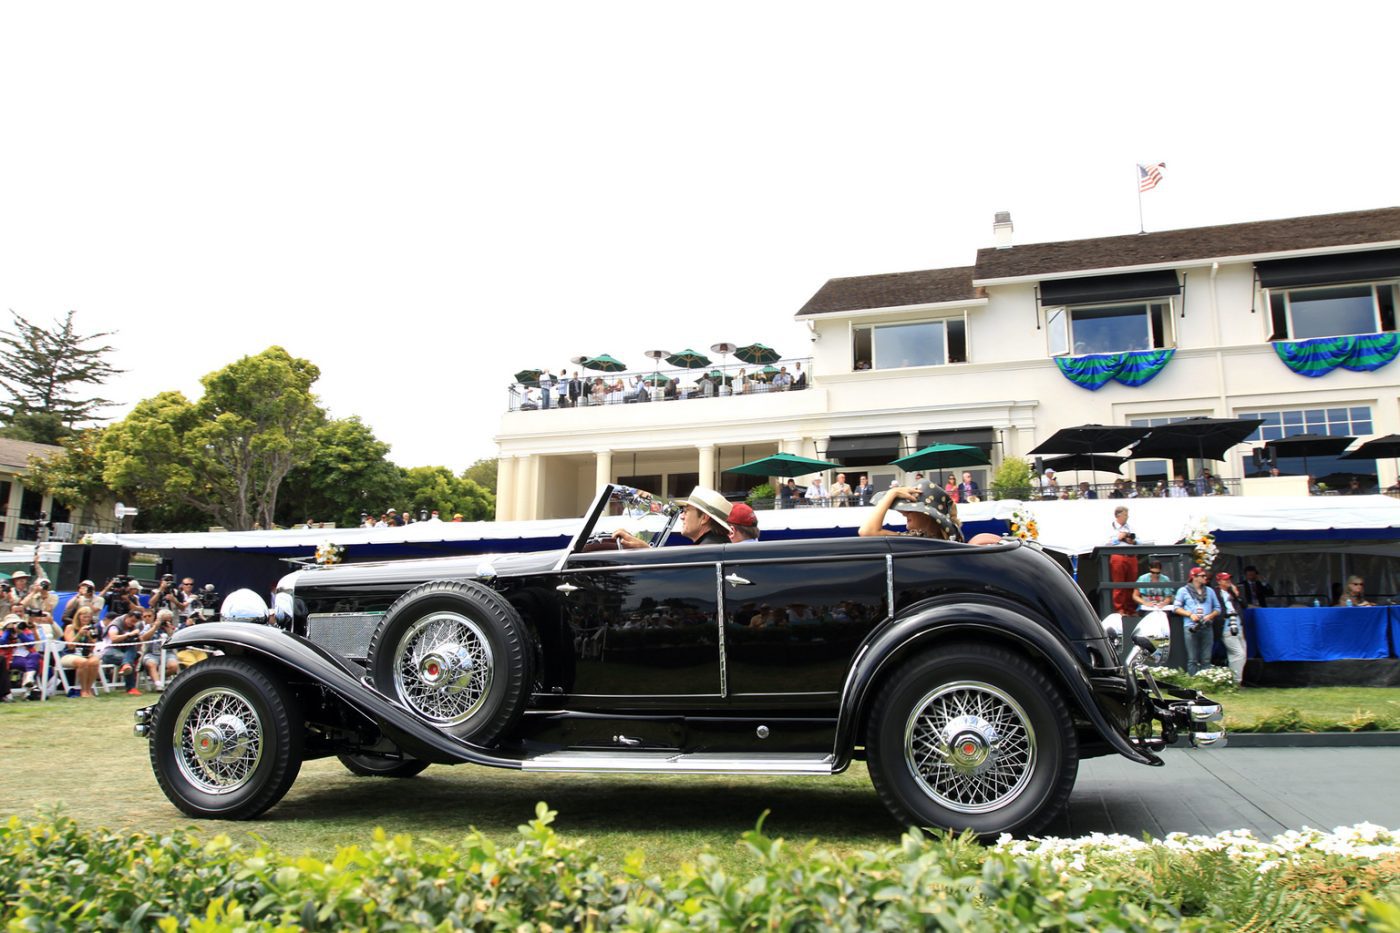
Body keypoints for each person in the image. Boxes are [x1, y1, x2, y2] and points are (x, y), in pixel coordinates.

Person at [613, 486, 732, 548]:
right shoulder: (714, 545)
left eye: (686, 511)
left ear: (704, 519)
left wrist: (643, 549)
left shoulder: (707, 550)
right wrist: (643, 547)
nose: (681, 516)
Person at [859, 480, 964, 541]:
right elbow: (867, 532)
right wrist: (892, 493)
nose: (904, 513)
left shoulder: (915, 540)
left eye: (910, 509)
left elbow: (867, 531)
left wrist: (892, 494)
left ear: (928, 514)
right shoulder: (915, 538)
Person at [1173, 567, 1221, 676]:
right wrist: (1190, 614)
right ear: (1194, 577)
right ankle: (1193, 684)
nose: (1205, 578)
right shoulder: (1183, 590)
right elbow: (1176, 608)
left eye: (1205, 576)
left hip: (1207, 625)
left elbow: (1218, 608)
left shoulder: (1210, 591)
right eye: (1202, 576)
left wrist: (1210, 616)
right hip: (1191, 626)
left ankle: (1205, 682)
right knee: (1192, 658)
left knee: (1206, 658)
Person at [1214, 572, 1247, 685]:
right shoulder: (1215, 592)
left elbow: (1245, 605)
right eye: (1225, 580)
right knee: (1238, 653)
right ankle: (1236, 681)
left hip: (1238, 624)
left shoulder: (1233, 592)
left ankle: (1234, 679)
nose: (1228, 581)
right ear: (1219, 581)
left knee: (1242, 653)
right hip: (1226, 625)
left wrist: (1237, 594)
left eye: (1229, 579)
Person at [1106, 506, 1138, 617]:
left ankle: (1131, 609)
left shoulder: (1131, 527)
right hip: (1118, 556)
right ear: (1118, 515)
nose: (1127, 516)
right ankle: (1120, 610)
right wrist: (1118, 538)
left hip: (1131, 556)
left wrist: (1132, 541)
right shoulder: (1110, 527)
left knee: (1132, 584)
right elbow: (1106, 543)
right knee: (1119, 584)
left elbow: (1140, 541)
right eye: (1125, 514)